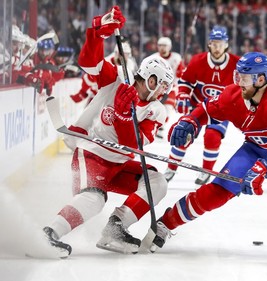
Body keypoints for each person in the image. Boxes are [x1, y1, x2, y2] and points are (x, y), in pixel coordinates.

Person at [150, 52, 267, 268]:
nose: (238, 81)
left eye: (244, 77)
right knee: (218, 191)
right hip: (255, 150)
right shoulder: (233, 95)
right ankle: (166, 223)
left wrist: (265, 167)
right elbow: (205, 110)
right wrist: (190, 121)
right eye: (237, 75)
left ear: (261, 80)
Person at [42, 6, 174, 258]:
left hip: (118, 164)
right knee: (94, 198)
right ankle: (49, 233)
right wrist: (97, 32)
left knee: (157, 182)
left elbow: (133, 146)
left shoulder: (156, 110)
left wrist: (125, 117)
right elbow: (88, 62)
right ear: (152, 78)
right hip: (91, 155)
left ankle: (115, 228)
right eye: (163, 84)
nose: (164, 91)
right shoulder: (115, 80)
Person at [164, 25, 241, 185]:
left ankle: (206, 171)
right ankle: (171, 168)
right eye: (214, 43)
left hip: (221, 109)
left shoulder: (237, 65)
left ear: (226, 44)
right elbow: (185, 81)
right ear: (209, 44)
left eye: (220, 43)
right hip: (198, 106)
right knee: (183, 133)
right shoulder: (198, 61)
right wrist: (183, 94)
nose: (217, 47)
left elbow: (242, 89)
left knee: (212, 137)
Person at [150, 36, 185, 139]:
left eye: (164, 46)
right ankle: (152, 125)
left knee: (168, 108)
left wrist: (181, 72)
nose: (162, 48)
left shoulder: (176, 58)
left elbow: (181, 73)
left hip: (171, 88)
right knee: (154, 108)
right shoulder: (154, 58)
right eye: (160, 45)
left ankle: (160, 127)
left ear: (169, 47)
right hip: (156, 88)